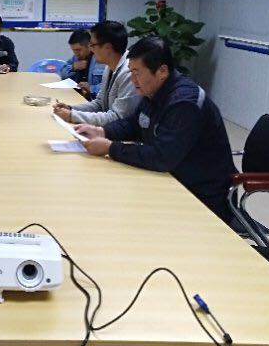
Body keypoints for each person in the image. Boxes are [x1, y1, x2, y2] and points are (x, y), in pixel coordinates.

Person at [75, 37, 236, 223]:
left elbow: (161, 157)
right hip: (171, 179)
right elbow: (134, 124)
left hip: (200, 194)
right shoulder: (154, 89)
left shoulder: (185, 103)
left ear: (162, 71)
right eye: (131, 72)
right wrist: (102, 131)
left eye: (137, 73)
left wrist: (110, 148)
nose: (132, 80)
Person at [53, 21, 138, 126]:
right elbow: (99, 104)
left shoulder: (129, 72)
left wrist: (72, 116)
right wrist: (71, 109)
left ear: (107, 48)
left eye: (92, 45)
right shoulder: (109, 67)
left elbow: (117, 118)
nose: (91, 49)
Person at [59, 28, 105, 99]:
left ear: (89, 46)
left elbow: (110, 86)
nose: (76, 53)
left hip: (94, 100)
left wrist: (91, 88)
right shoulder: (76, 57)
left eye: (78, 50)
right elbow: (62, 74)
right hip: (77, 96)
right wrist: (73, 67)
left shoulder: (101, 59)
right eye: (73, 50)